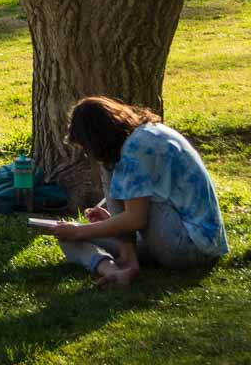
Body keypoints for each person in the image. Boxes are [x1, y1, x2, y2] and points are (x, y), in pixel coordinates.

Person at [39, 96, 228, 287]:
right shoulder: (145, 134)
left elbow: (135, 219)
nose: (89, 154)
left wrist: (82, 230)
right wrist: (106, 223)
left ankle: (128, 259)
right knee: (66, 237)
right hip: (176, 235)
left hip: (192, 244)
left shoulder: (136, 149)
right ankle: (113, 271)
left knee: (106, 173)